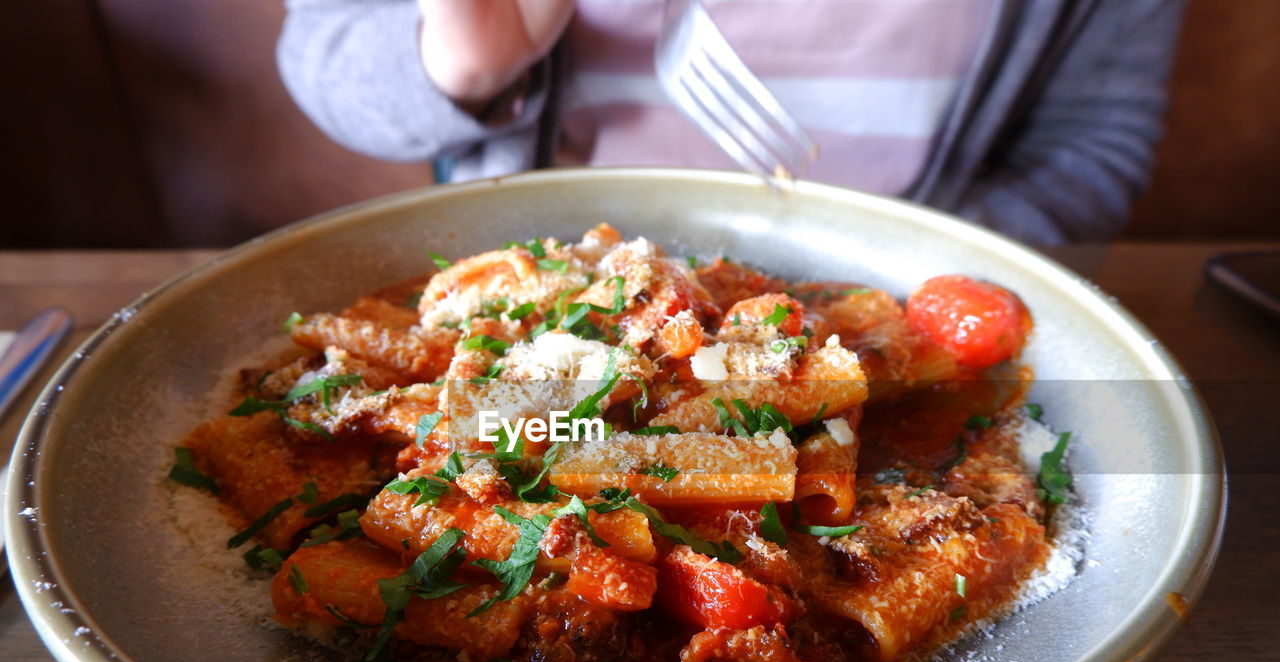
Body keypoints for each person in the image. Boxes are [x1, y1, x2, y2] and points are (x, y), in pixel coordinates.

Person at [277, 0, 1186, 245]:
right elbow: (322, 49)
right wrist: (461, 63)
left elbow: (1092, 150)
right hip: (524, 289)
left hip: (887, 318)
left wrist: (891, 282)